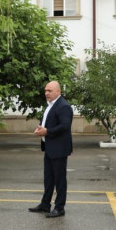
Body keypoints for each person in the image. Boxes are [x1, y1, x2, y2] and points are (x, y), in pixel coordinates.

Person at [29, 81, 73, 218]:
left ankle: (59, 207)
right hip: (49, 148)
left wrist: (47, 131)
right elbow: (48, 123)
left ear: (58, 91)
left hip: (59, 149)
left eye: (50, 91)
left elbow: (65, 126)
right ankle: (45, 204)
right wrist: (40, 128)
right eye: (45, 90)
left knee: (59, 180)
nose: (46, 93)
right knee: (48, 178)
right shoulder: (50, 105)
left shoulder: (63, 106)